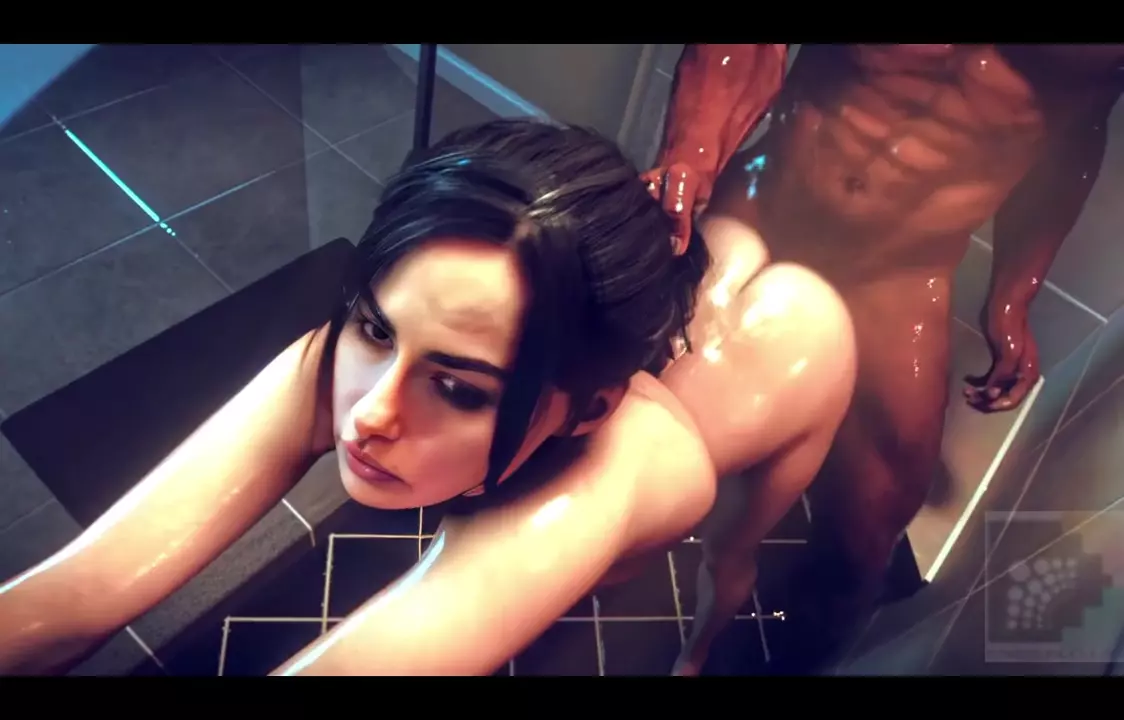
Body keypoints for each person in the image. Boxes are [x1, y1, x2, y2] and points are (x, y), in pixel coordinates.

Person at [0, 119, 855, 676]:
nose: (368, 414)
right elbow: (78, 595)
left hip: (790, 366)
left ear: (590, 411)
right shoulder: (350, 360)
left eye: (457, 387)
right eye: (376, 328)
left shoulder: (589, 491)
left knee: (728, 566)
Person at [647, 43, 1124, 672]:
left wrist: (1014, 294)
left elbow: (1077, 130)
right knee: (637, 401)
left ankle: (786, 657)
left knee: (870, 528)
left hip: (902, 271)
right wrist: (692, 152)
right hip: (770, 197)